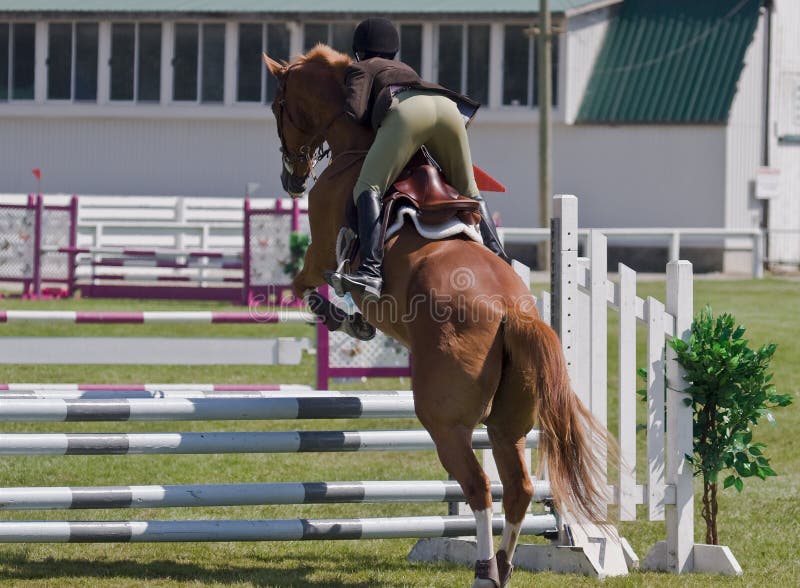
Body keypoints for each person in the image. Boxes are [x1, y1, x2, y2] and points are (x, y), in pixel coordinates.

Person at [324, 17, 510, 300]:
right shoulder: (406, 69)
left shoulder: (361, 67)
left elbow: (356, 113)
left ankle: (370, 270)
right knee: (469, 190)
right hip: (448, 108)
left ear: (359, 49)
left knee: (368, 186)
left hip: (408, 114)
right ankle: (500, 260)